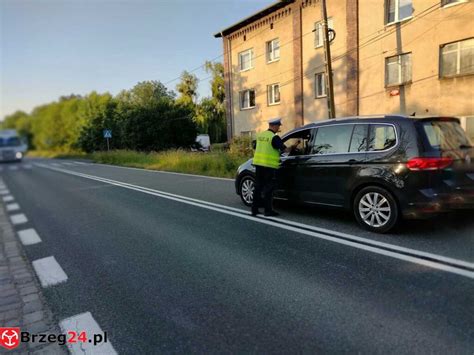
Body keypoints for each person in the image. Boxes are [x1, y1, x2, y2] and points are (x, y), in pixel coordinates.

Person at [251, 118, 298, 217]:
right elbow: (285, 150)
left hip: (258, 165)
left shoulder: (261, 135)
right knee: (269, 189)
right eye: (278, 126)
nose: (279, 128)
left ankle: (254, 210)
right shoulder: (274, 137)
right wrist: (294, 146)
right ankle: (268, 211)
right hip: (269, 166)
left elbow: (255, 146)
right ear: (273, 126)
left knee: (258, 187)